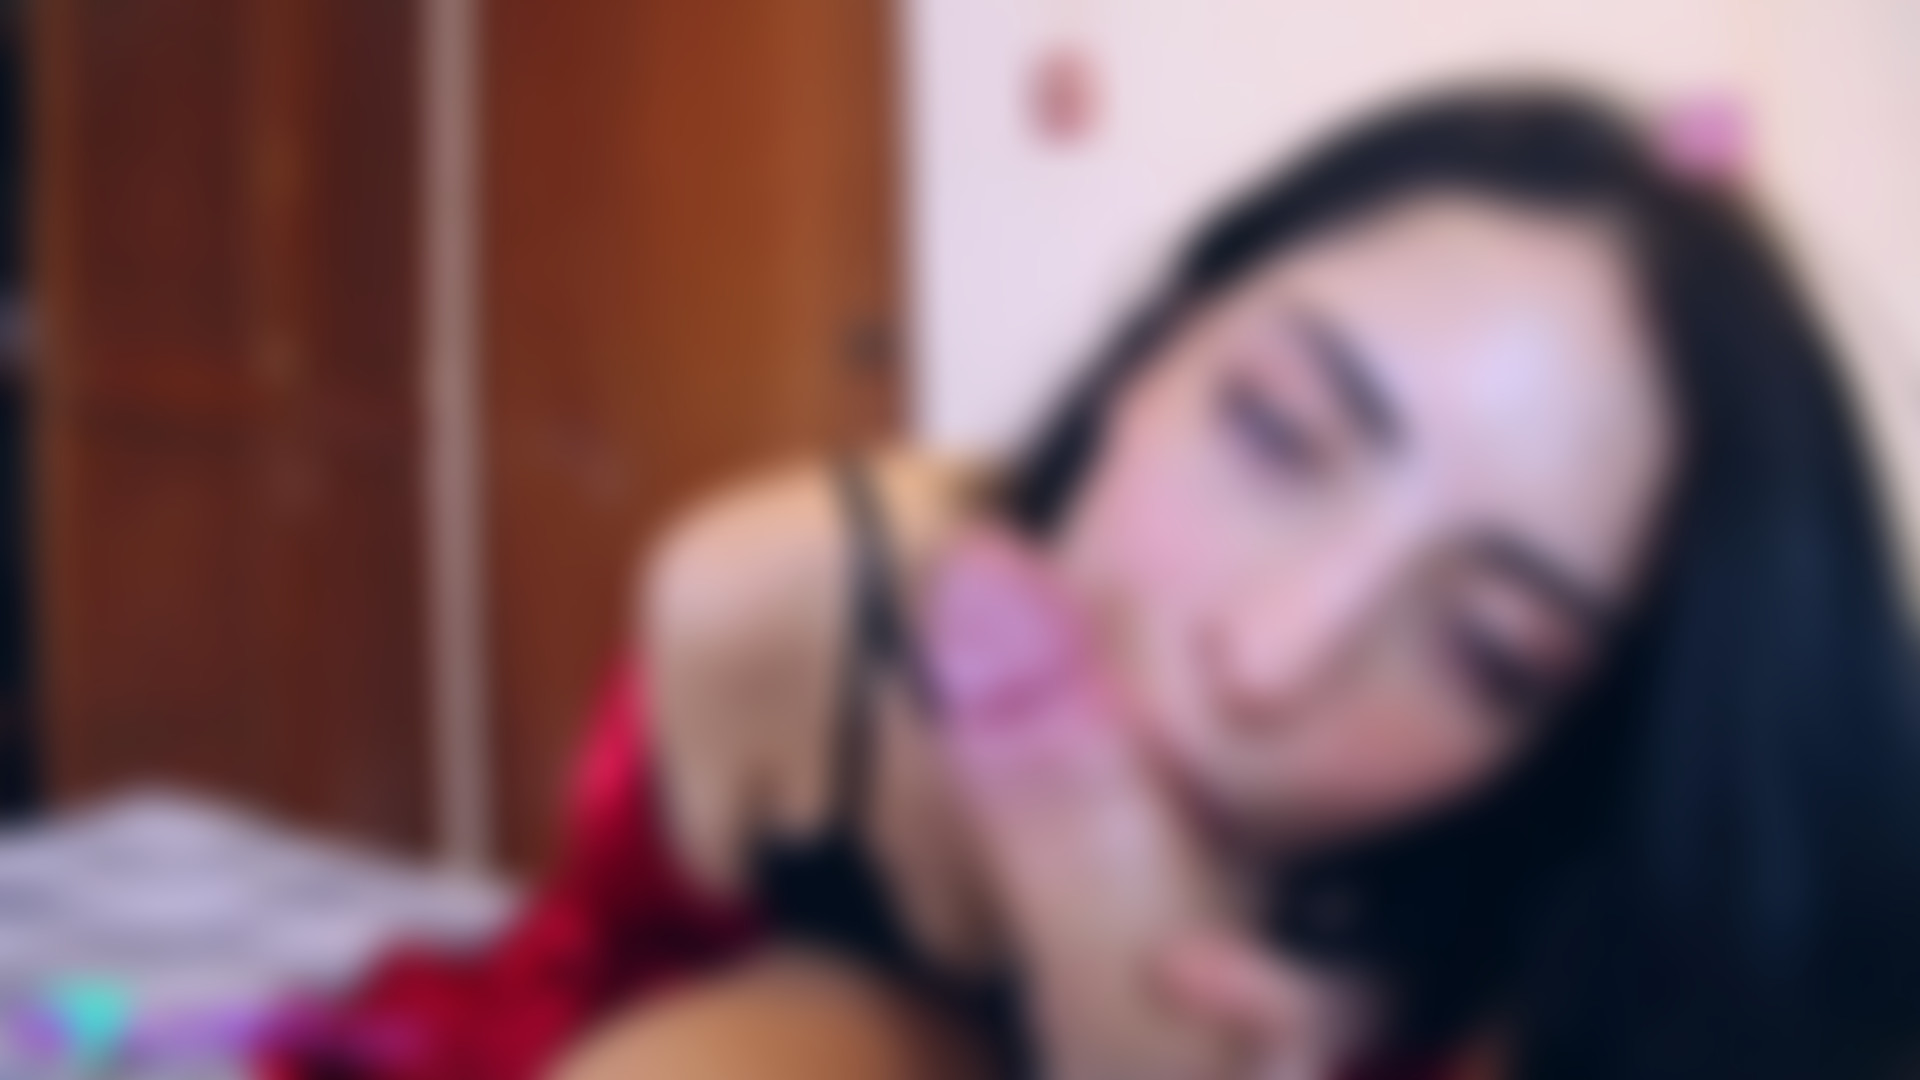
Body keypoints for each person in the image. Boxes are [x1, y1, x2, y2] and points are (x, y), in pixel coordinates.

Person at [274, 85, 1920, 1080]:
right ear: (1152, 351)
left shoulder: (1519, 936)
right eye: (1275, 431)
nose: (1273, 655)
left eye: (1492, 651)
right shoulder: (785, 611)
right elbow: (623, 959)